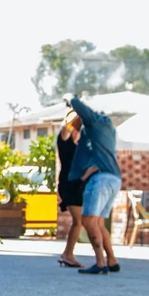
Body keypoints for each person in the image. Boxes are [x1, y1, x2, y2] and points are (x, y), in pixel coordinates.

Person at [64, 94, 122, 275]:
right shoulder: (107, 130)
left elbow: (82, 109)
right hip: (113, 178)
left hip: (100, 179)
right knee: (98, 222)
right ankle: (111, 260)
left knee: (88, 220)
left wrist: (70, 99)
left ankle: (100, 262)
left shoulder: (95, 122)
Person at [56, 109, 85, 268]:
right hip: (68, 184)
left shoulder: (77, 144)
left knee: (79, 221)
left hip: (75, 184)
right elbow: (66, 127)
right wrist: (77, 110)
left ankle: (68, 253)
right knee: (78, 221)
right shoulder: (64, 139)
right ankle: (68, 254)